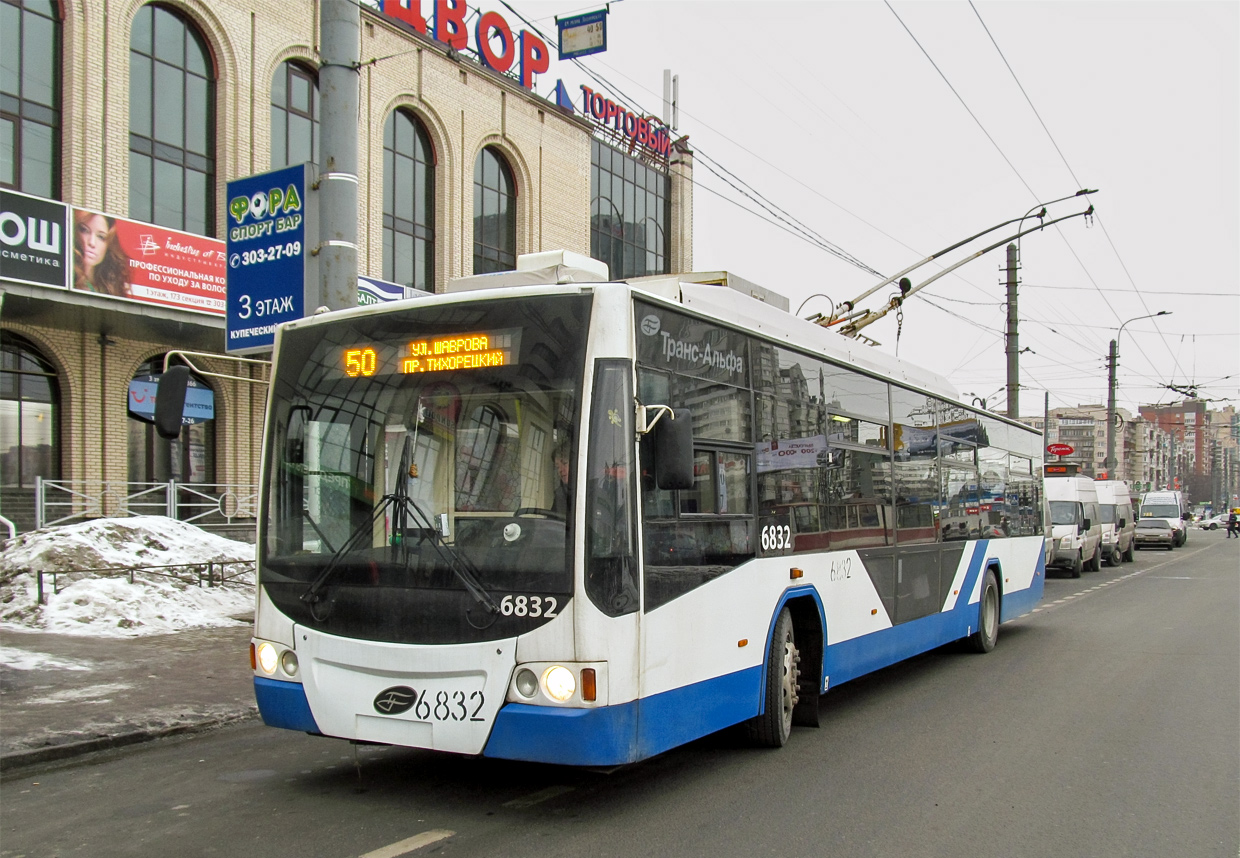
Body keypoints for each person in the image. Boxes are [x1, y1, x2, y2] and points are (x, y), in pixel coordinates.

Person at [73, 211, 132, 297]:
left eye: (101, 237)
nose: (92, 243)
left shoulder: (110, 288)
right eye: (84, 230)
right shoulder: (66, 278)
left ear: (109, 246)